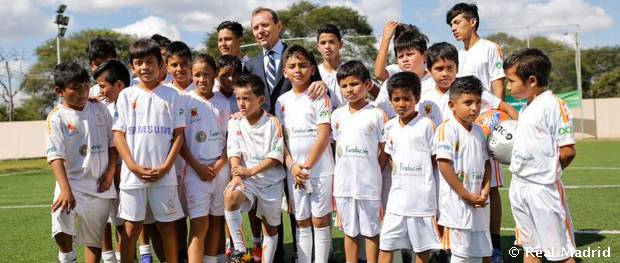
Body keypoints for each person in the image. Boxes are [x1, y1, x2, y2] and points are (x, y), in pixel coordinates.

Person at [419, 43, 517, 262]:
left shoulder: (475, 104)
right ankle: (440, 252)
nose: (445, 73)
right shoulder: (425, 99)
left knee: (480, 249)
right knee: (452, 232)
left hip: (474, 178)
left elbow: (486, 164)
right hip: (444, 170)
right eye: (438, 68)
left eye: (450, 67)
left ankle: (493, 248)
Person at [243, 8, 326, 261]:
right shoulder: (251, 64)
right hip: (265, 147)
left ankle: (308, 256)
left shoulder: (297, 57)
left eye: (265, 25)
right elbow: (246, 97)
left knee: (299, 208)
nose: (260, 31)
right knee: (269, 208)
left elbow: (317, 88)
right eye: (256, 27)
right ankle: (275, 257)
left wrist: (321, 84)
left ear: (279, 26)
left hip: (296, 146)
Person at [113, 38, 185, 263]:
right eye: (139, 62)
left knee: (167, 228)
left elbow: (179, 136)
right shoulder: (126, 95)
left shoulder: (172, 95)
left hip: (164, 175)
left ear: (161, 64)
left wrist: (165, 167)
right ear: (132, 67)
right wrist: (132, 166)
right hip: (132, 176)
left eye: (150, 61)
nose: (145, 67)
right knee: (131, 229)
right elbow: (118, 135)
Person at [505, 48, 577, 263]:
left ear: (532, 80)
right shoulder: (527, 107)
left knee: (560, 254)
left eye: (511, 81)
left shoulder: (554, 105)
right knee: (531, 249)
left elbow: (568, 151)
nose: (508, 86)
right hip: (519, 187)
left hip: (543, 190)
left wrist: (547, 173)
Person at [46, 61, 117, 263]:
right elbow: (55, 157)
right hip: (70, 184)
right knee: (60, 222)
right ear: (59, 91)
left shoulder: (99, 109)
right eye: (76, 88)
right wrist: (65, 189)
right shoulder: (56, 117)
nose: (83, 92)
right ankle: (67, 256)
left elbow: (112, 145)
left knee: (94, 242)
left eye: (86, 85)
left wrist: (110, 173)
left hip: (99, 185)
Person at [275, 45, 334, 263]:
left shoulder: (319, 96)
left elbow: (324, 136)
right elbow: (281, 141)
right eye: (292, 66)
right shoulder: (281, 102)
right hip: (295, 172)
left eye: (302, 65)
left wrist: (306, 166)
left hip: (319, 171)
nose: (297, 70)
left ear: (311, 69)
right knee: (301, 220)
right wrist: (293, 166)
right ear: (285, 72)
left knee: (319, 221)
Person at [378, 72, 440, 263]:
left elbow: (435, 159)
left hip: (420, 201)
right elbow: (387, 157)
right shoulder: (389, 127)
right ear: (390, 100)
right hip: (396, 200)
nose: (401, 103)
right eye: (396, 99)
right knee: (386, 244)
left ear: (417, 99)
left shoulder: (426, 125)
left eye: (406, 98)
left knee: (421, 248)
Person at [224, 73, 286, 263]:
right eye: (238, 98)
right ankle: (241, 252)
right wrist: (236, 175)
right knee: (231, 195)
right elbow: (233, 152)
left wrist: (250, 171)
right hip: (247, 181)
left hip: (270, 182)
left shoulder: (272, 123)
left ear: (260, 99)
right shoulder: (234, 122)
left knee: (270, 228)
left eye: (247, 99)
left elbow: (275, 157)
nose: (241, 104)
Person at [332, 60, 388, 263]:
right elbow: (335, 146)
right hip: (344, 186)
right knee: (349, 231)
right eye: (344, 86)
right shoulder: (337, 115)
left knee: (371, 230)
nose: (349, 90)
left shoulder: (376, 114)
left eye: (354, 84)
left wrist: (375, 170)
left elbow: (385, 150)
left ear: (366, 85)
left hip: (368, 186)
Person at [179, 53, 231, 263]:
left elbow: (231, 138)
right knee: (199, 224)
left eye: (206, 74)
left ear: (216, 75)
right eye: (197, 75)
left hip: (221, 169)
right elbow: (179, 141)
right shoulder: (185, 100)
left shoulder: (224, 102)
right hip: (195, 171)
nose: (202, 79)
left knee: (217, 219)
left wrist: (219, 164)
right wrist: (198, 167)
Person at [434, 76, 492, 263]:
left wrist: (485, 190)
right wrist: (466, 195)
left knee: (481, 254)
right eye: (468, 103)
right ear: (452, 105)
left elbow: (487, 164)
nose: (474, 108)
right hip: (457, 207)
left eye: (477, 102)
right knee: (461, 256)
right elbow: (444, 165)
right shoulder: (446, 129)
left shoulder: (480, 131)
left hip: (479, 204)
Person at [92, 59, 131, 263]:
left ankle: (131, 256)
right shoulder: (98, 106)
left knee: (129, 220)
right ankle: (112, 258)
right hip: (108, 172)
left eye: (102, 86)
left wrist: (117, 170)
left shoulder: (134, 103)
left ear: (119, 85)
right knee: (110, 218)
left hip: (129, 171)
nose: (99, 91)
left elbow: (117, 141)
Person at [446, 2, 505, 100]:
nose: (453, 28)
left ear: (472, 22)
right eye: (451, 25)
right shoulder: (458, 55)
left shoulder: (490, 48)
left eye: (457, 22)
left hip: (486, 112)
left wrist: (497, 113)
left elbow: (498, 84)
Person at [316, 23, 346, 109]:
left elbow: (374, 90)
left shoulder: (352, 70)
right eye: (323, 43)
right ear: (318, 47)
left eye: (331, 42)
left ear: (340, 44)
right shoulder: (313, 74)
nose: (327, 46)